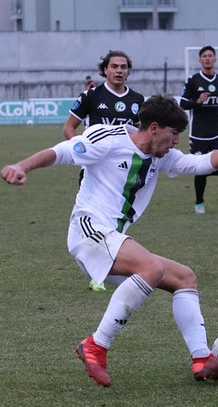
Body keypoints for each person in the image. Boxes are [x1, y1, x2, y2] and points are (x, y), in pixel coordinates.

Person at [0, 94, 218, 387]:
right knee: (152, 269)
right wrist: (22, 166)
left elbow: (204, 163)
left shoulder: (163, 156)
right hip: (88, 230)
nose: (176, 143)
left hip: (113, 240)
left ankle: (201, 358)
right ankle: (96, 345)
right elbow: (61, 152)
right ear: (155, 128)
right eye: (173, 135)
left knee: (184, 278)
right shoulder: (107, 139)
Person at [64, 50, 145, 292]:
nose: (119, 71)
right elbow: (69, 128)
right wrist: (82, 152)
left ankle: (105, 265)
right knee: (91, 217)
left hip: (125, 171)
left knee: (118, 218)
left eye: (123, 67)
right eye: (115, 66)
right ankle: (95, 271)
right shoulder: (91, 95)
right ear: (105, 70)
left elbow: (141, 137)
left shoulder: (138, 100)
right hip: (95, 170)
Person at [180, 45, 218, 214]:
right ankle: (199, 203)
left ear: (215, 59)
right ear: (200, 60)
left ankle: (200, 171)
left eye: (210, 56)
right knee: (201, 167)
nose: (208, 58)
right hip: (198, 135)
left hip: (217, 132)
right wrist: (197, 102)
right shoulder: (193, 80)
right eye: (204, 56)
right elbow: (182, 103)